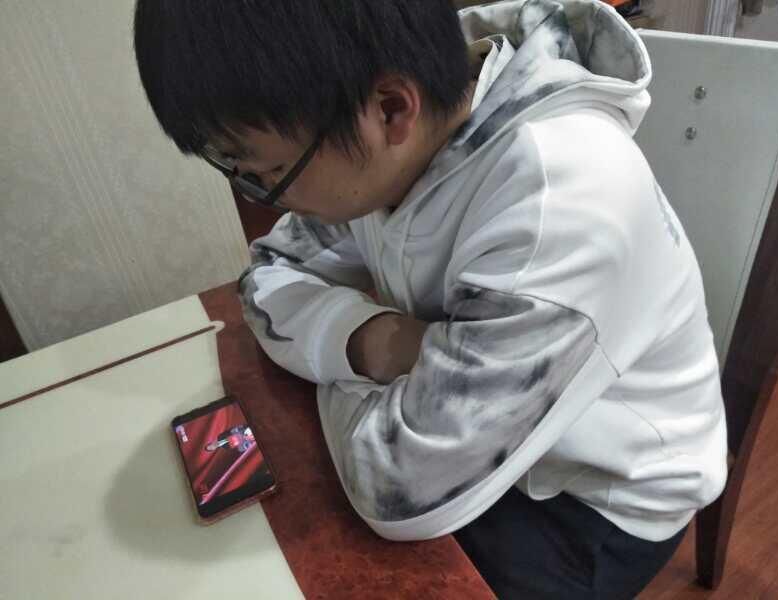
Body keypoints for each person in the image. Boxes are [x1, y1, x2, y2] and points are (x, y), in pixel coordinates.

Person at [134, 1, 728, 597]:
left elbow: (394, 488)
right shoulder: (390, 131)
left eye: (269, 174)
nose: (263, 196)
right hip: (473, 440)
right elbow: (266, 276)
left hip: (597, 497)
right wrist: (372, 342)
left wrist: (328, 350)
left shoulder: (560, 203)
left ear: (391, 109)